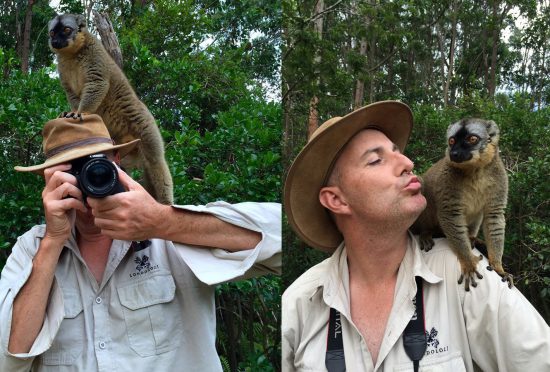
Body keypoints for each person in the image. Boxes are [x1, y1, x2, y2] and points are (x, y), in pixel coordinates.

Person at [282, 101, 550, 371]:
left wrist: (490, 258)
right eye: (376, 160)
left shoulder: (466, 277)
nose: (409, 164)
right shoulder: (298, 305)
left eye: (399, 152)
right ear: (337, 200)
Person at [0, 114, 281, 371]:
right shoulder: (32, 248)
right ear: (48, 180)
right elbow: (8, 359)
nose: (87, 178)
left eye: (96, 163)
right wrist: (53, 241)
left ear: (117, 161)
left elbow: (287, 241)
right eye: (71, 170)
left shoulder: (174, 234)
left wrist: (162, 222)